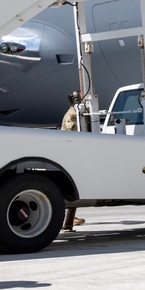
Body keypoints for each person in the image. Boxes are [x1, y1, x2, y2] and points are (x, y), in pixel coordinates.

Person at [61, 91, 86, 231]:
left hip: (71, 153)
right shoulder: (72, 114)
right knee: (72, 191)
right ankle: (67, 222)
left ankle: (69, 222)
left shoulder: (73, 112)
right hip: (71, 154)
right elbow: (71, 131)